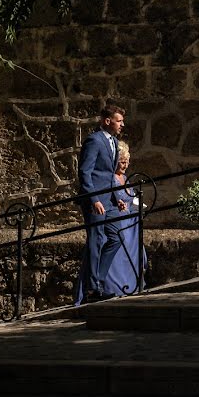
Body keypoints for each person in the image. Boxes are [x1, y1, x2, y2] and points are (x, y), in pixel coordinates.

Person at [75, 140, 147, 304]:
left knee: (129, 237)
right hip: (112, 217)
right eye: (122, 162)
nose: (125, 165)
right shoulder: (108, 178)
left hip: (126, 219)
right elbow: (107, 193)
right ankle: (98, 286)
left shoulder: (124, 177)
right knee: (111, 239)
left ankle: (130, 283)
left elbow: (128, 196)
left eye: (127, 161)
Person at [75, 104, 125, 304]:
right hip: (95, 201)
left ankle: (99, 282)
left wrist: (117, 197)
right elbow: (85, 173)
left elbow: (109, 175)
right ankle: (92, 290)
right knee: (96, 241)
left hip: (110, 201)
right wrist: (94, 199)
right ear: (107, 121)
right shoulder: (94, 141)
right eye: (119, 121)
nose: (122, 124)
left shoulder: (113, 141)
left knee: (116, 237)